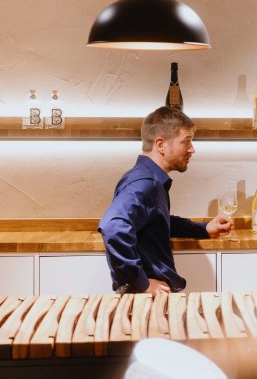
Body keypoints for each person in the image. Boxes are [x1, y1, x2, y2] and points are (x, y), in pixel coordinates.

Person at [98, 107, 232, 295]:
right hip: (147, 298)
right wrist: (141, 283)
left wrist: (204, 228)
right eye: (186, 141)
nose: (192, 149)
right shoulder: (146, 183)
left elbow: (157, 220)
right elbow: (113, 226)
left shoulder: (148, 179)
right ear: (161, 145)